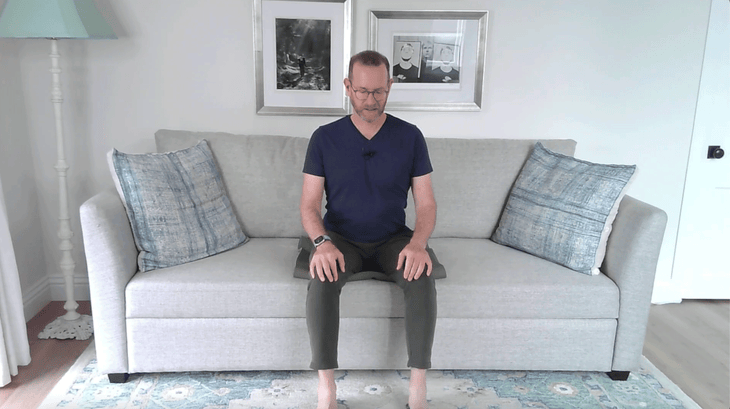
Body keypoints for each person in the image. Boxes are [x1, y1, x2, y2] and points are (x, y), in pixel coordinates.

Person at [300, 50, 438, 409]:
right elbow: (309, 204)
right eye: (362, 91)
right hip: (340, 239)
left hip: (392, 238)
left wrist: (419, 243)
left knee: (421, 273)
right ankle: (327, 388)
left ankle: (418, 389)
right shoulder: (323, 137)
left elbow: (426, 203)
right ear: (348, 87)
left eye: (379, 91)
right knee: (323, 275)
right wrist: (321, 242)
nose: (370, 100)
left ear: (390, 87)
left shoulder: (410, 136)